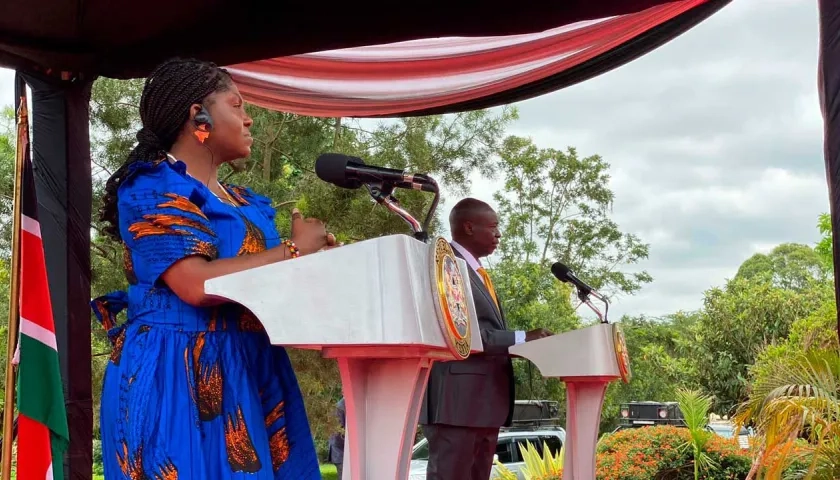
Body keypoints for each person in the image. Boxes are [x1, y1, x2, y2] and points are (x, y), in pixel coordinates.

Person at [90, 58, 337, 479]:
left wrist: (315, 263)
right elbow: (194, 284)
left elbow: (268, 284)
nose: (249, 117)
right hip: (178, 369)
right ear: (197, 115)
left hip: (250, 364)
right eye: (236, 104)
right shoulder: (152, 185)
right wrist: (293, 251)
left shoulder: (244, 202)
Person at [418, 198, 553, 480]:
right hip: (456, 403)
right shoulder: (446, 265)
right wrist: (522, 338)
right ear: (469, 227)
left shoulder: (478, 273)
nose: (498, 234)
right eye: (493, 227)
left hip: (482, 405)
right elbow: (458, 330)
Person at [328, 398, 346, 478]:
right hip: (339, 451)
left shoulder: (343, 404)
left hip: (340, 450)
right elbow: (338, 432)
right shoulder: (341, 406)